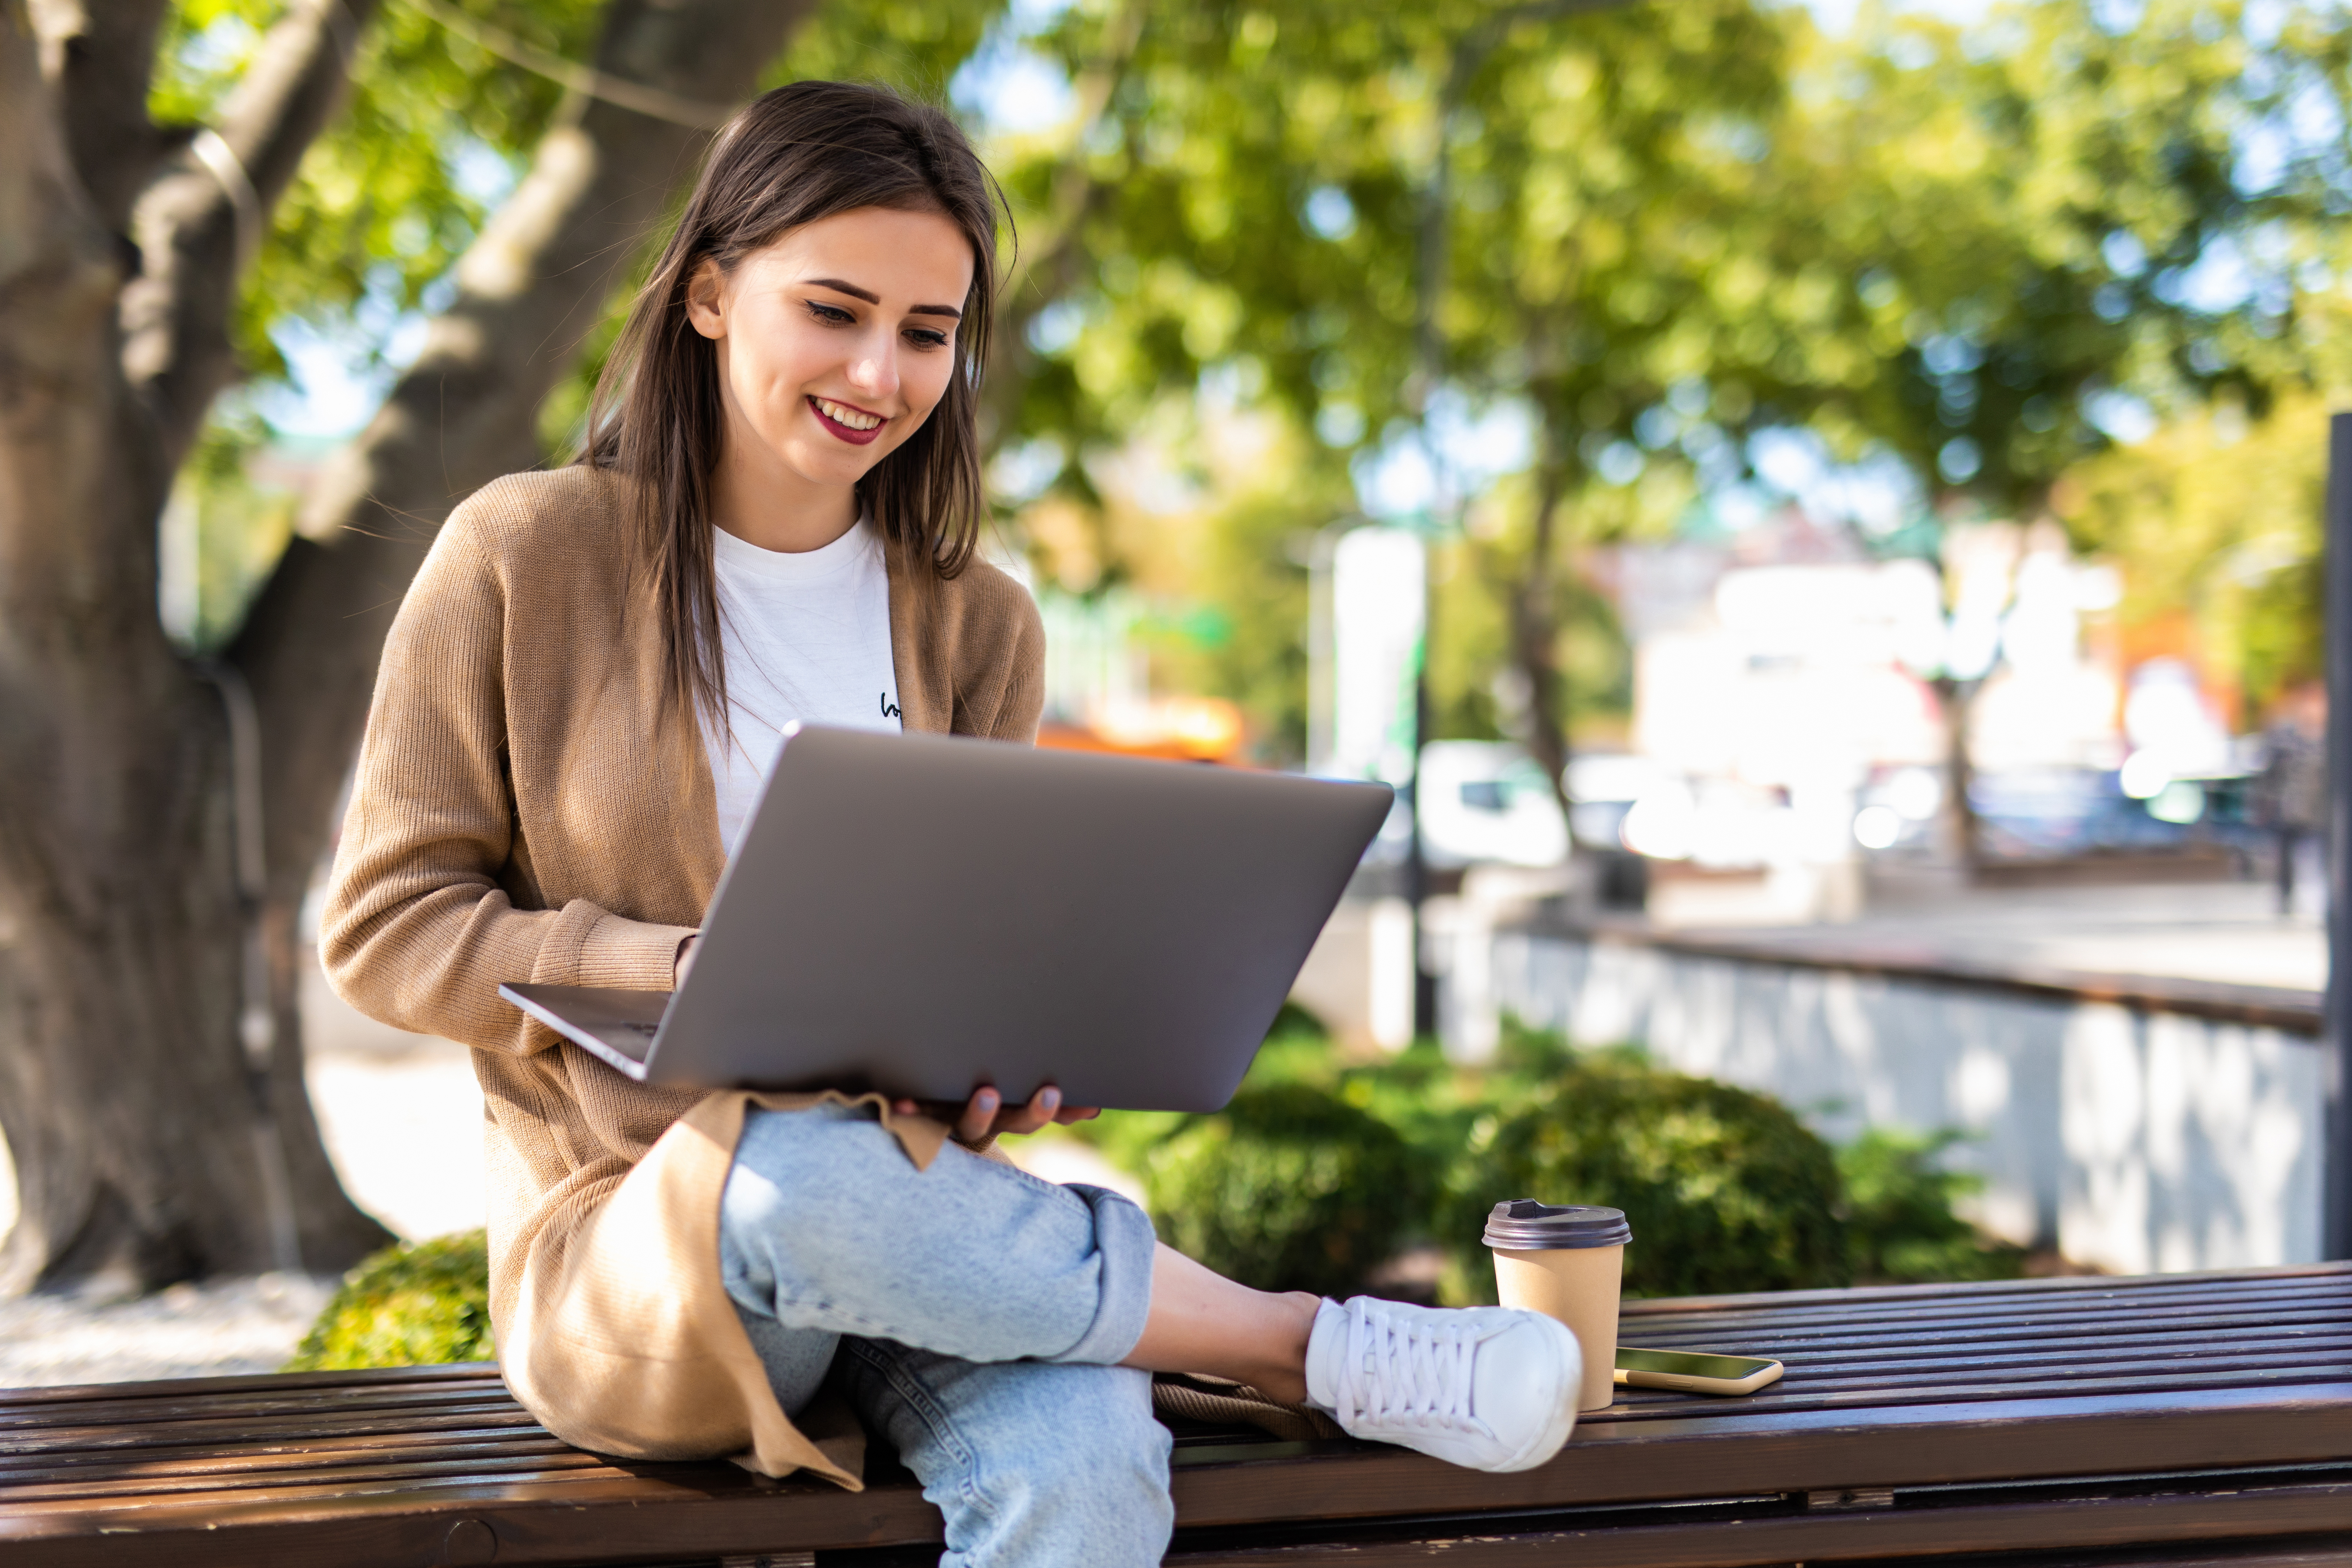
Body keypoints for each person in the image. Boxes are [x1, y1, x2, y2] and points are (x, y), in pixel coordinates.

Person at [322, 81, 1581, 1567]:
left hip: (933, 1219)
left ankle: (1253, 1340)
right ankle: (1299, 1343)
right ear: (712, 294)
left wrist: (1008, 1059)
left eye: (926, 332)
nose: (879, 368)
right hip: (644, 1247)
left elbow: (975, 960)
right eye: (834, 309)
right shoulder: (525, 553)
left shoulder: (977, 622)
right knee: (796, 1177)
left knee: (1091, 1468)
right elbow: (386, 930)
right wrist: (679, 964)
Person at [2256, 681, 2327, 919]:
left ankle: (2323, 900)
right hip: (2290, 807)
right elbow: (2270, 774)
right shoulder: (2285, 737)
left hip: (2322, 809)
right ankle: (2287, 901)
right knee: (2287, 859)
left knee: (2322, 856)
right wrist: (2265, 804)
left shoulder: (2331, 738)